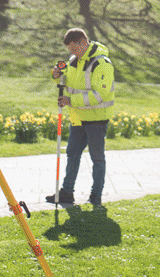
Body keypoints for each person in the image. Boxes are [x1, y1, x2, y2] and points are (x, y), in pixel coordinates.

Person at [46, 28, 115, 206]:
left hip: (96, 119)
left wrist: (71, 100)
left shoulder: (102, 64)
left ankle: (96, 195)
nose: (72, 53)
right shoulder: (74, 61)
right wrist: (56, 76)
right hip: (78, 117)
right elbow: (66, 81)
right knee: (72, 154)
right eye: (70, 50)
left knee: (97, 157)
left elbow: (101, 94)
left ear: (84, 43)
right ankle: (67, 193)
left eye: (74, 49)